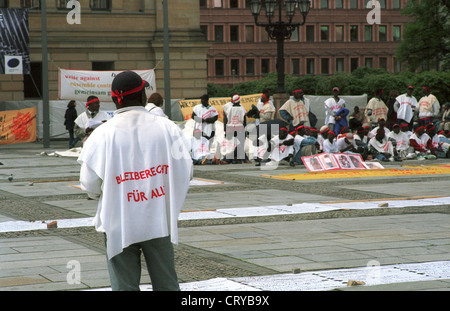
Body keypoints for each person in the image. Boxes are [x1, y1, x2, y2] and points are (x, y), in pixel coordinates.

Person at [78, 71, 193, 291]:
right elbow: (186, 170)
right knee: (166, 282)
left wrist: (110, 191)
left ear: (113, 99)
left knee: (124, 285)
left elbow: (89, 184)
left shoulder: (102, 134)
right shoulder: (167, 128)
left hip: (118, 220)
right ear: (142, 95)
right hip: (158, 218)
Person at [223, 94, 248, 163]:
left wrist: (226, 129)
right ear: (239, 101)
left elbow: (226, 118)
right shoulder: (242, 108)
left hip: (231, 127)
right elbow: (244, 120)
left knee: (232, 144)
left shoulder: (229, 108)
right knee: (240, 143)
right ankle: (238, 159)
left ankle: (233, 159)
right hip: (240, 127)